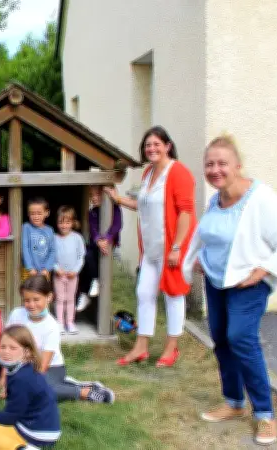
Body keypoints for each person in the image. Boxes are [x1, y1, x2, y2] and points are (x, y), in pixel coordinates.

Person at [183, 136, 277, 446]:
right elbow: (209, 234)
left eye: (222, 163)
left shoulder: (261, 199)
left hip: (248, 285)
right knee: (221, 339)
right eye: (209, 164)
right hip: (217, 281)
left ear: (238, 166)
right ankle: (234, 402)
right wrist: (199, 258)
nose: (215, 169)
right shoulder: (216, 199)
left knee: (241, 339)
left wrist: (264, 270)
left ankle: (265, 415)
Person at [105, 126, 196, 367]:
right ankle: (141, 347)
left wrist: (177, 247)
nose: (152, 148)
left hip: (171, 249)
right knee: (144, 293)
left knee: (173, 295)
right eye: (148, 145)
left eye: (156, 144)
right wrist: (120, 200)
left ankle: (171, 348)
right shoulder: (147, 174)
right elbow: (144, 206)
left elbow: (186, 212)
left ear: (167, 146)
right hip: (151, 250)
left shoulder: (178, 173)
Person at [7, 276, 115, 404]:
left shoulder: (52, 326)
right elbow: (7, 345)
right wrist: (4, 381)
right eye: (27, 300)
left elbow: (43, 366)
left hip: (51, 367)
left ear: (49, 297)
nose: (31, 304)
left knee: (40, 391)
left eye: (36, 299)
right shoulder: (16, 314)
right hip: (23, 366)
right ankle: (66, 384)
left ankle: (85, 391)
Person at [0, 325, 61, 450]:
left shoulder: (22, 378)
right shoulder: (24, 368)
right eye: (3, 347)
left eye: (13, 348)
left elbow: (12, 416)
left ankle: (21, 448)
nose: (6, 352)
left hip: (36, 434)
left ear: (27, 352)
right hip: (43, 428)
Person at [76, 185, 123, 312]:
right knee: (85, 261)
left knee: (90, 258)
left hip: (108, 245)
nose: (94, 198)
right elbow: (93, 229)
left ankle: (96, 280)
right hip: (96, 244)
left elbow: (117, 225)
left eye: (98, 195)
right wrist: (98, 240)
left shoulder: (115, 209)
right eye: (92, 196)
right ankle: (85, 293)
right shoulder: (92, 212)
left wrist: (107, 239)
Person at [53, 206, 86, 334]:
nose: (64, 225)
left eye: (67, 222)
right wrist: (56, 269)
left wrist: (76, 271)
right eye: (61, 222)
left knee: (71, 299)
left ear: (72, 222)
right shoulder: (54, 238)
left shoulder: (77, 238)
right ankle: (60, 323)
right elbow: (51, 256)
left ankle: (70, 322)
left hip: (73, 275)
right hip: (59, 275)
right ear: (57, 223)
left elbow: (81, 256)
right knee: (60, 299)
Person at [21, 197, 56, 281]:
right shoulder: (26, 227)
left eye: (39, 213)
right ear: (28, 214)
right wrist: (30, 267)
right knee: (27, 291)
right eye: (32, 213)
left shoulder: (49, 230)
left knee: (43, 292)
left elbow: (53, 250)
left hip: (45, 271)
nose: (36, 216)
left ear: (47, 213)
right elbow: (24, 248)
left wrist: (47, 269)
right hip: (28, 270)